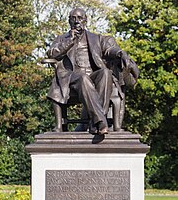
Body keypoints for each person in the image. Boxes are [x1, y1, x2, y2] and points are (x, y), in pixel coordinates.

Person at [47, 7, 139, 135]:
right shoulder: (62, 39)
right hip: (71, 78)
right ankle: (100, 121)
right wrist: (69, 41)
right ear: (69, 21)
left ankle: (96, 122)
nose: (77, 21)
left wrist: (120, 53)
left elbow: (109, 49)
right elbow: (52, 54)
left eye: (80, 18)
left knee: (106, 73)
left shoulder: (96, 38)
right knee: (83, 77)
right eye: (73, 18)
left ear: (85, 21)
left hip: (93, 77)